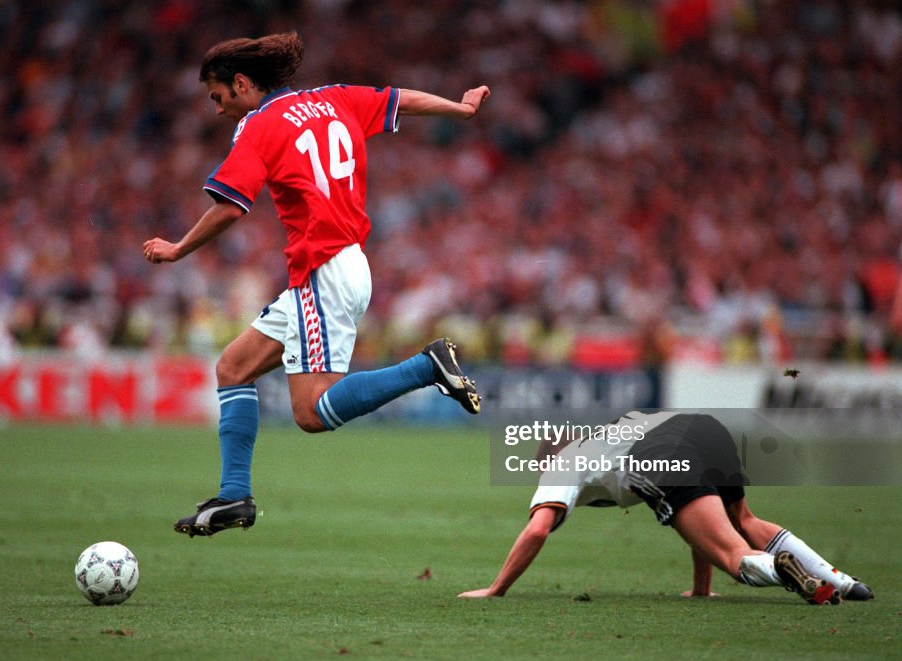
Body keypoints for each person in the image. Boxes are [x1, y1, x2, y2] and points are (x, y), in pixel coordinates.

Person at [142, 32, 489, 537]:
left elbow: (230, 205)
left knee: (309, 412)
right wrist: (460, 110)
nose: (218, 111)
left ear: (241, 83)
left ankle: (425, 366)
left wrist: (177, 249)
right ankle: (234, 495)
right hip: (342, 265)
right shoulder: (334, 98)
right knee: (233, 368)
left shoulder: (257, 126)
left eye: (218, 97)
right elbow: (402, 100)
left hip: (323, 266)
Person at [460, 411, 874, 604]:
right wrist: (700, 589)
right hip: (702, 427)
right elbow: (697, 511)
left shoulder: (563, 463)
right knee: (741, 519)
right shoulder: (604, 439)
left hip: (659, 451)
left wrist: (497, 590)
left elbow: (536, 530)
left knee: (734, 554)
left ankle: (776, 566)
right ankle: (843, 582)